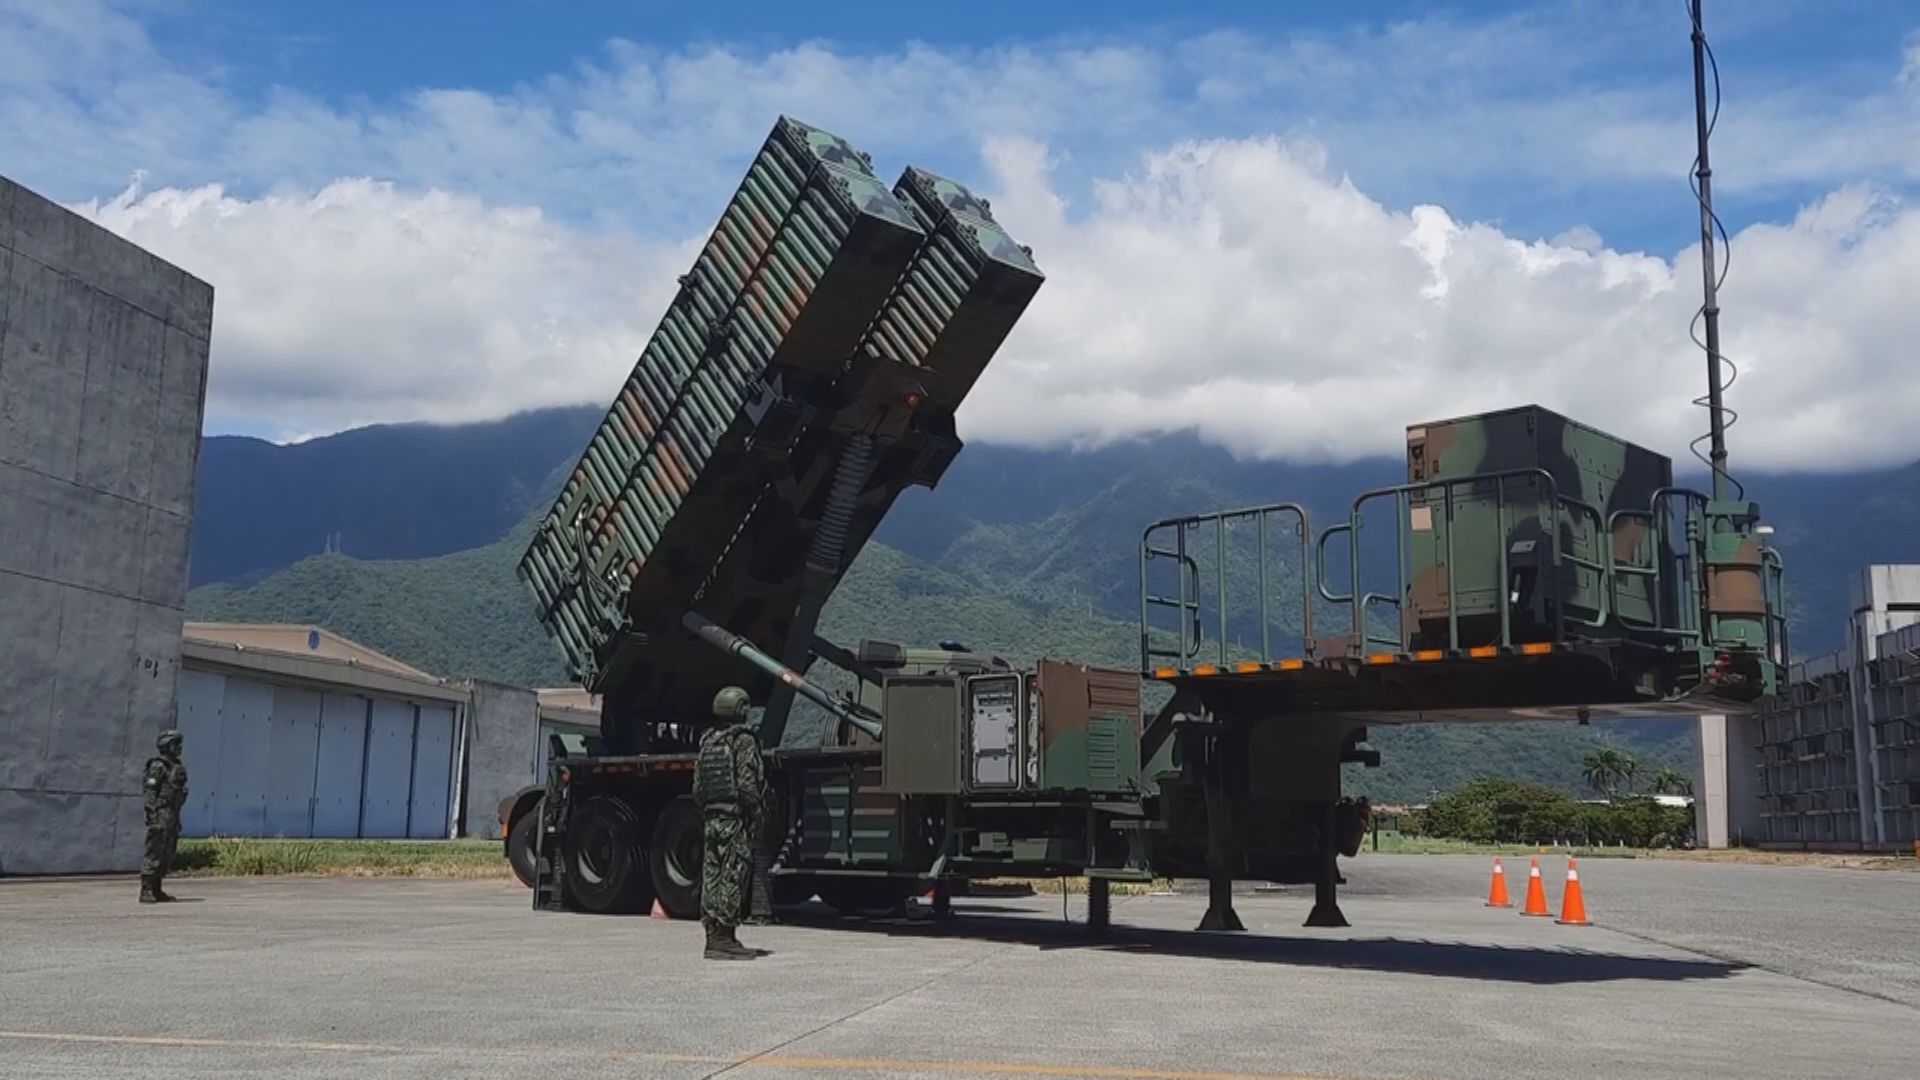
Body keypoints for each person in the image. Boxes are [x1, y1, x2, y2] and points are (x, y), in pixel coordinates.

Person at [693, 687, 767, 960]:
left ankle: (713, 936)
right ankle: (725, 937)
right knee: (733, 872)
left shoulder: (709, 741)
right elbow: (747, 783)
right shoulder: (743, 740)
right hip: (734, 818)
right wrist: (757, 812)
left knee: (712, 874)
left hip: (712, 817)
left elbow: (698, 787)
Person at [141, 729, 189, 904]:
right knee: (155, 850)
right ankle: (146, 889)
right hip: (161, 812)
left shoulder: (176, 766)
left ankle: (157, 888)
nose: (179, 748)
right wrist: (152, 812)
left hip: (173, 814)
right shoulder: (158, 766)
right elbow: (150, 791)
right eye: (176, 744)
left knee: (167, 851)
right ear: (167, 745)